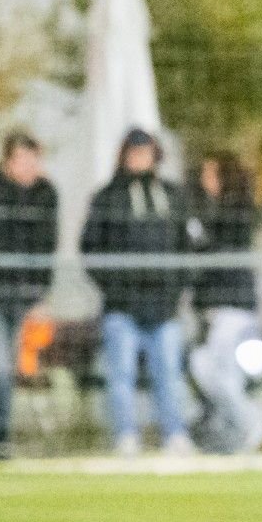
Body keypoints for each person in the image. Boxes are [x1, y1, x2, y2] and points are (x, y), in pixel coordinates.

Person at [79, 128, 193, 456]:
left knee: (169, 374)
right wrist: (113, 287)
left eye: (146, 153)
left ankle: (174, 433)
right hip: (122, 306)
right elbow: (90, 250)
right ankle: (126, 435)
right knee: (121, 374)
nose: (140, 159)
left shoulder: (172, 196)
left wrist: (177, 288)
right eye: (134, 152)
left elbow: (188, 248)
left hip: (164, 305)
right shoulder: (107, 198)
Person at [0, 131, 59, 460]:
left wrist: (39, 296)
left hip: (21, 299)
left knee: (4, 370)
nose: (30, 167)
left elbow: (47, 248)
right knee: (0, 369)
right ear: (8, 160)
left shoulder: (45, 194)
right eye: (23, 160)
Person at [186, 153, 262, 453]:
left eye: (211, 174)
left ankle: (251, 420)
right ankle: (234, 431)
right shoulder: (210, 211)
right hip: (215, 307)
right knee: (210, 368)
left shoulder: (235, 212)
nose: (205, 181)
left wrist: (198, 239)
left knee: (211, 367)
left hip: (231, 306)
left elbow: (216, 252)